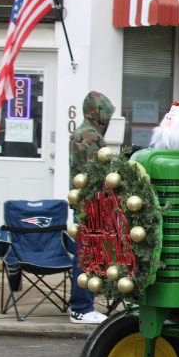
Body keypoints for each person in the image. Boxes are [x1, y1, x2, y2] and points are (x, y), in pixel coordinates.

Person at [67, 91, 114, 324]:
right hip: (91, 205)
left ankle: (81, 306)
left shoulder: (80, 131)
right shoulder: (92, 137)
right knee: (86, 257)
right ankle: (81, 308)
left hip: (81, 202)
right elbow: (100, 174)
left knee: (83, 254)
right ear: (100, 113)